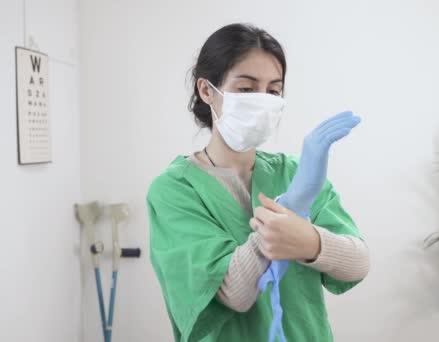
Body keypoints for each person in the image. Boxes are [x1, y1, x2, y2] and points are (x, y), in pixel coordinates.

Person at [146, 23, 370, 342]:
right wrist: (291, 208)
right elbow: (233, 292)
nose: (262, 101)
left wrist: (311, 241)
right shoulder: (175, 190)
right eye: (247, 89)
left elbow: (358, 263)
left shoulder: (296, 172)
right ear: (207, 90)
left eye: (273, 90)